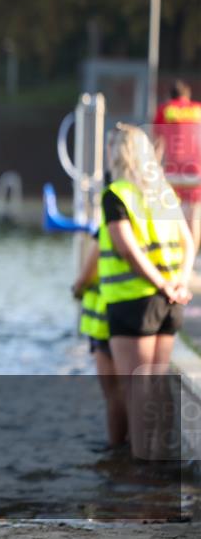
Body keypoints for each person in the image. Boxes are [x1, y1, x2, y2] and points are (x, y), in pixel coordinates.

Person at [98, 123, 194, 459]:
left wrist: (161, 283)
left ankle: (141, 462)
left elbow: (127, 249)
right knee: (157, 382)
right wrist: (178, 282)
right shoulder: (163, 193)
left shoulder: (117, 194)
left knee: (136, 388)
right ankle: (160, 456)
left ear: (118, 154)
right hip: (170, 303)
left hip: (133, 303)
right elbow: (188, 241)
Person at [72, 233, 127, 448]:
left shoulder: (109, 227)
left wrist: (77, 289)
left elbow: (87, 275)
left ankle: (117, 450)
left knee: (114, 393)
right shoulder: (160, 223)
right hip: (150, 312)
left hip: (107, 322)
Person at [152, 79, 201, 251]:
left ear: (170, 96)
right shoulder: (198, 109)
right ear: (187, 95)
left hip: (173, 169)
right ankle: (191, 257)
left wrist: (153, 168)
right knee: (194, 214)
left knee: (171, 213)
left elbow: (159, 143)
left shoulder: (164, 110)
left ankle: (175, 253)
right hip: (195, 170)